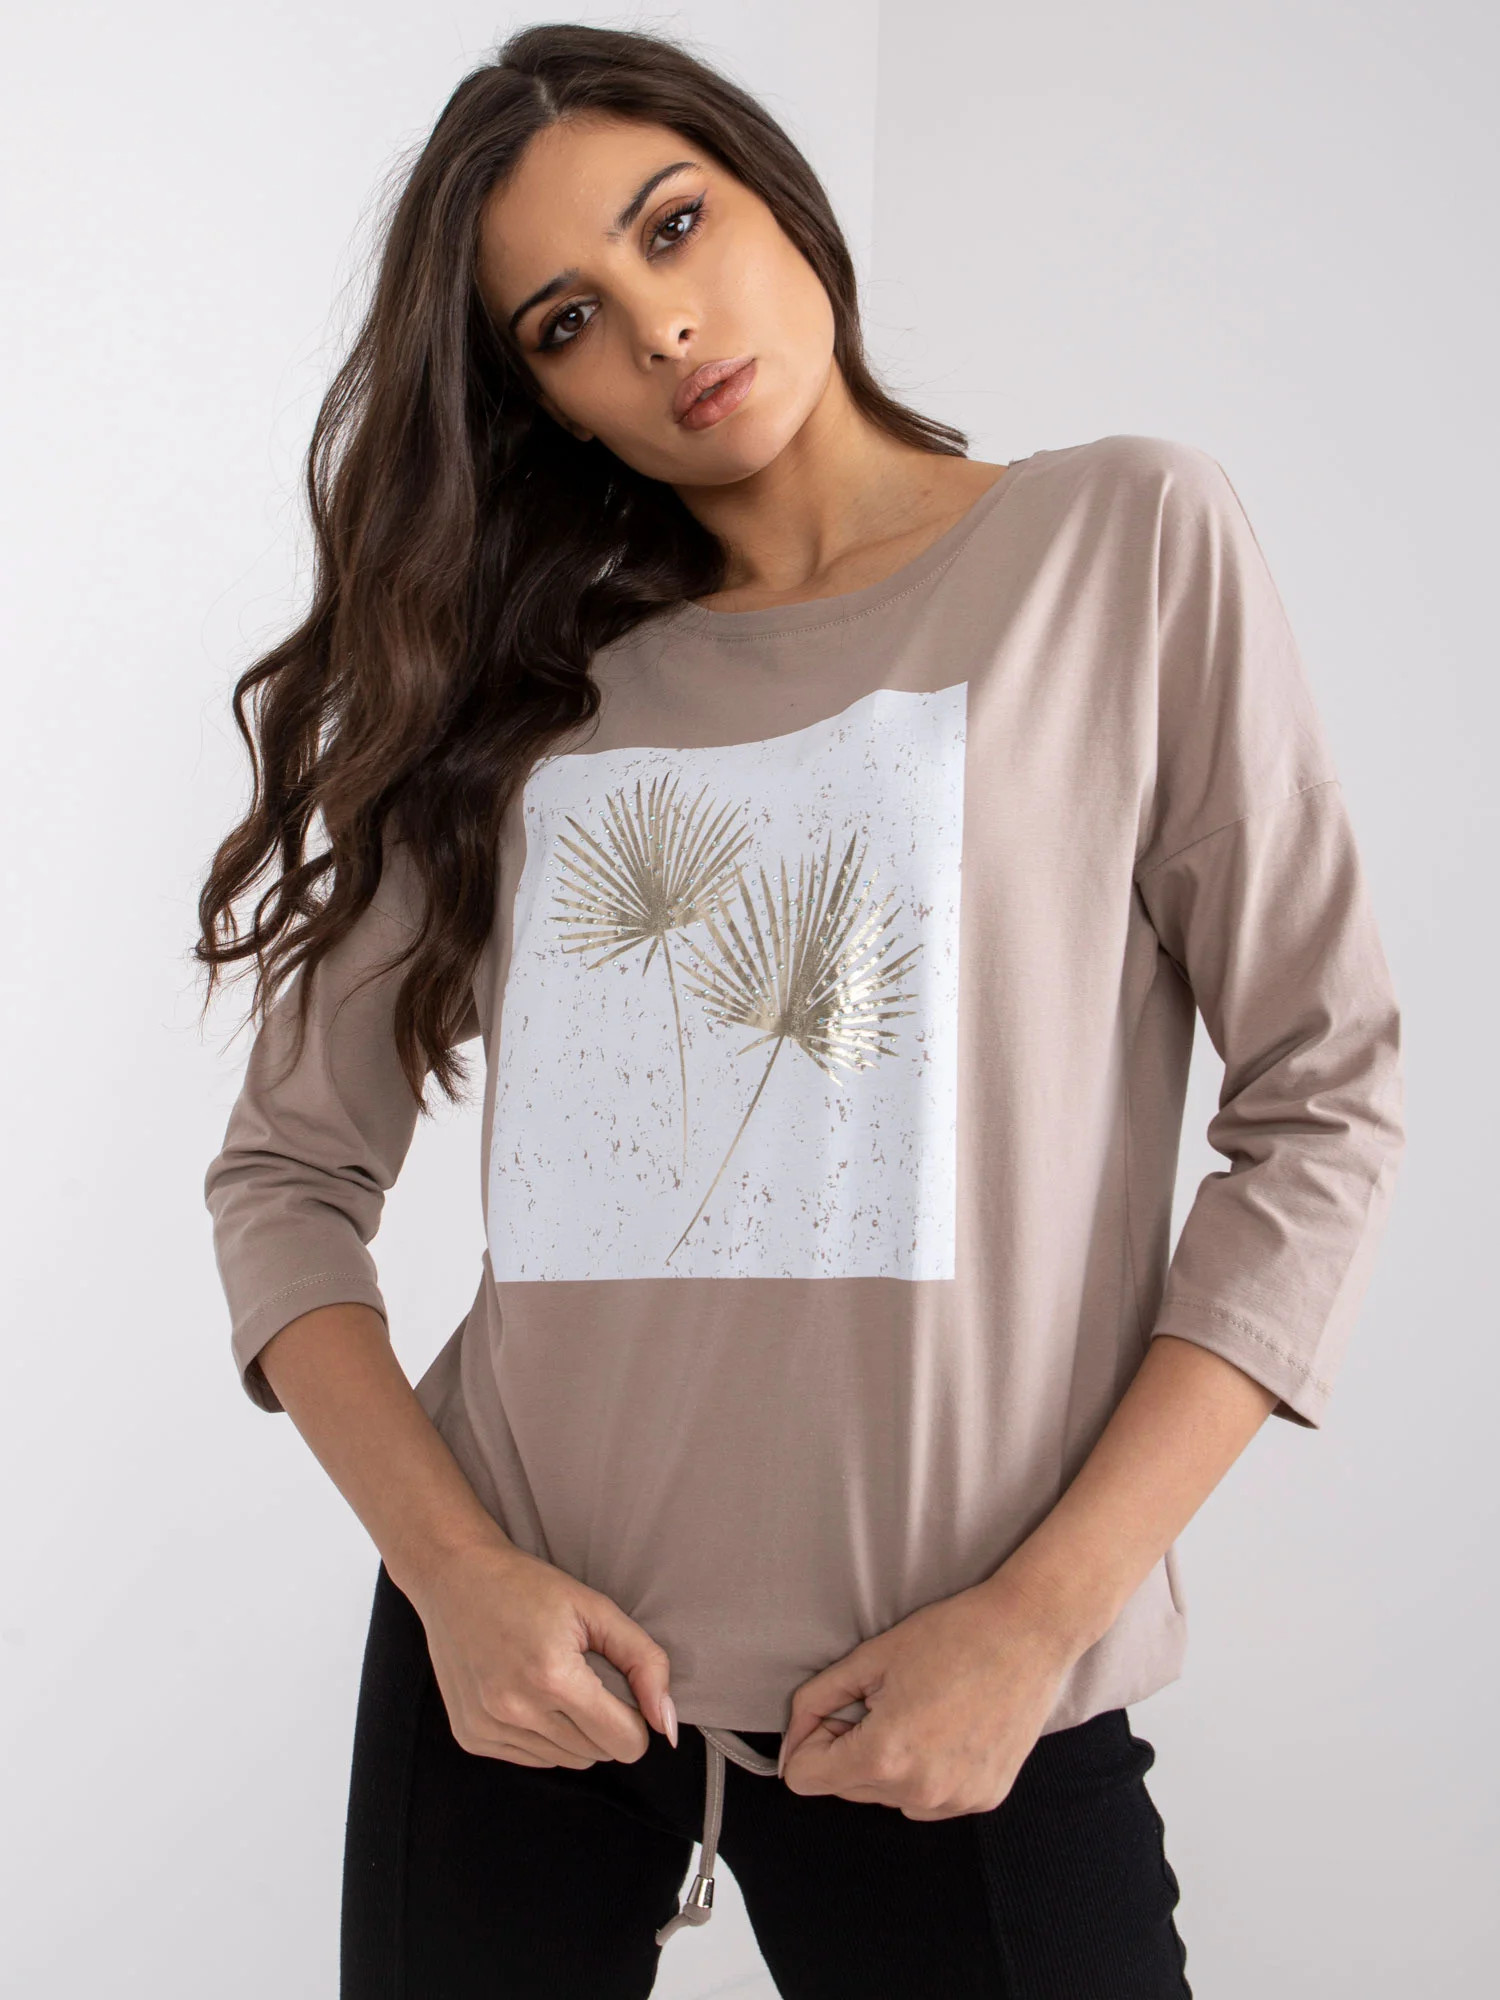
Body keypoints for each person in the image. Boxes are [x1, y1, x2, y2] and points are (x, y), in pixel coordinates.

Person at [196, 23, 1405, 1999]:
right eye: (570, 321)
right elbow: (285, 1178)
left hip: (953, 1693)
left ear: (776, 192)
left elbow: (1325, 1103)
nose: (662, 327)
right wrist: (455, 1576)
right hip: (520, 1681)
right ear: (539, 397)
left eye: (674, 227)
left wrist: (1039, 1622)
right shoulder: (516, 687)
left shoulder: (1119, 545)